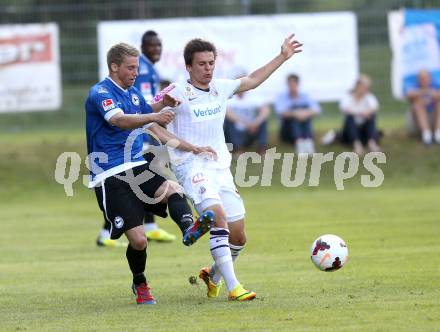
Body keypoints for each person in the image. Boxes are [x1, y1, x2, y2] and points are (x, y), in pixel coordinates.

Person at [158, 34, 302, 301]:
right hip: (190, 168)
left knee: (239, 236)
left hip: (220, 168)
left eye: (211, 63)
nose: (208, 68)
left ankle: (212, 275)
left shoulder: (220, 88)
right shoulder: (174, 92)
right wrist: (185, 145)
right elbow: (149, 120)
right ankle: (235, 288)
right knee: (218, 217)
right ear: (189, 67)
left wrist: (282, 56)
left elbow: (253, 80)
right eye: (201, 64)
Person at [85, 43, 216, 304]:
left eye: (137, 67)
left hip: (137, 165)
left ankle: (189, 228)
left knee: (173, 189)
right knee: (139, 242)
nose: (136, 72)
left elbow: (157, 128)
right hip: (110, 173)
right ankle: (140, 282)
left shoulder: (133, 94)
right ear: (114, 67)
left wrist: (193, 147)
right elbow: (119, 120)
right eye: (131, 68)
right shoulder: (100, 92)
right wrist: (154, 115)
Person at [95, 31, 176, 246]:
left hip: (140, 128)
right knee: (139, 182)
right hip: (136, 134)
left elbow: (143, 103)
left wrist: (161, 104)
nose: (156, 50)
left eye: (159, 46)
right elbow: (135, 109)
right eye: (152, 46)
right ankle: (144, 228)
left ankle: (146, 227)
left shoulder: (147, 69)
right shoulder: (142, 71)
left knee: (140, 183)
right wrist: (155, 115)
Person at [274, 74, 320, 153]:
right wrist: (295, 113)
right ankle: (301, 143)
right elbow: (280, 112)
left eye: (293, 83)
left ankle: (307, 142)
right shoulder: (281, 97)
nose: (291, 86)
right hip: (287, 130)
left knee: (304, 113)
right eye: (290, 84)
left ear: (298, 84)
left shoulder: (305, 96)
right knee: (295, 116)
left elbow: (317, 109)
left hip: (304, 124)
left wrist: (304, 113)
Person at [338, 74, 381, 154]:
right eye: (364, 86)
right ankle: (357, 144)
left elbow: (375, 107)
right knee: (350, 118)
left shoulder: (369, 97)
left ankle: (372, 143)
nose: (366, 89)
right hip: (349, 132)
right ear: (358, 86)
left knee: (371, 116)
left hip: (364, 129)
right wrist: (361, 113)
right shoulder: (348, 97)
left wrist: (367, 113)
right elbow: (345, 109)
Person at [224, 90, 270, 156]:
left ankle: (262, 148)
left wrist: (256, 123)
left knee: (262, 121)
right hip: (235, 132)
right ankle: (238, 148)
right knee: (228, 121)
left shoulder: (253, 96)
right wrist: (246, 124)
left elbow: (266, 110)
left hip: (251, 130)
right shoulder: (228, 97)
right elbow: (227, 114)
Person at [406, 69, 440, 145]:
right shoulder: (414, 86)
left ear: (430, 78)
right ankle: (426, 135)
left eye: (426, 78)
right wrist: (424, 92)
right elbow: (409, 94)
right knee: (417, 104)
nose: (424, 80)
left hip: (434, 116)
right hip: (417, 121)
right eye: (422, 78)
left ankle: (438, 133)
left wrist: (431, 96)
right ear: (418, 80)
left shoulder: (436, 85)